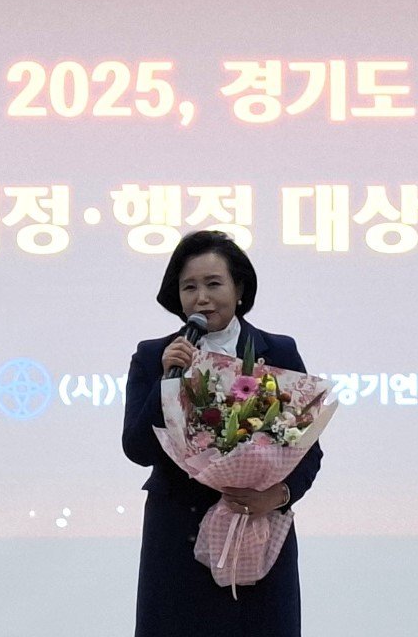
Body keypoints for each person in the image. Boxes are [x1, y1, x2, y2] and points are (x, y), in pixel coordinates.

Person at [122, 230, 323, 637]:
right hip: (178, 542)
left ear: (239, 288)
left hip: (258, 534)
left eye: (214, 284)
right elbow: (137, 448)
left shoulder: (278, 351)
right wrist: (167, 380)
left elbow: (308, 450)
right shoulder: (153, 356)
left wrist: (275, 496)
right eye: (189, 287)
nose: (202, 298)